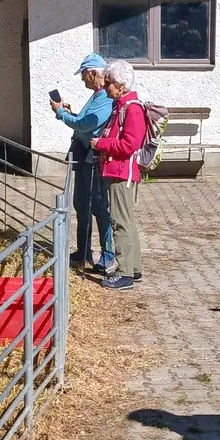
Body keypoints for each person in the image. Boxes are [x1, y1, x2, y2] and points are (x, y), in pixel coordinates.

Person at [51, 54, 115, 272]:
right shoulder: (97, 95)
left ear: (94, 73)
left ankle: (107, 255)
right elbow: (84, 122)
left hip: (93, 158)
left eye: (84, 75)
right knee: (82, 203)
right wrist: (71, 114)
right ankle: (83, 251)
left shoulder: (104, 97)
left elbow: (86, 125)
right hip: (84, 155)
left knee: (98, 206)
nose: (82, 79)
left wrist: (61, 113)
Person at [91, 60, 145, 291]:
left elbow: (129, 145)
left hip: (122, 173)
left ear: (121, 85)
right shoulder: (120, 106)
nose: (106, 86)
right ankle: (133, 267)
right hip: (117, 170)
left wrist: (101, 144)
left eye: (109, 83)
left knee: (120, 222)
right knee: (126, 221)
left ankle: (124, 273)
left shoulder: (131, 108)